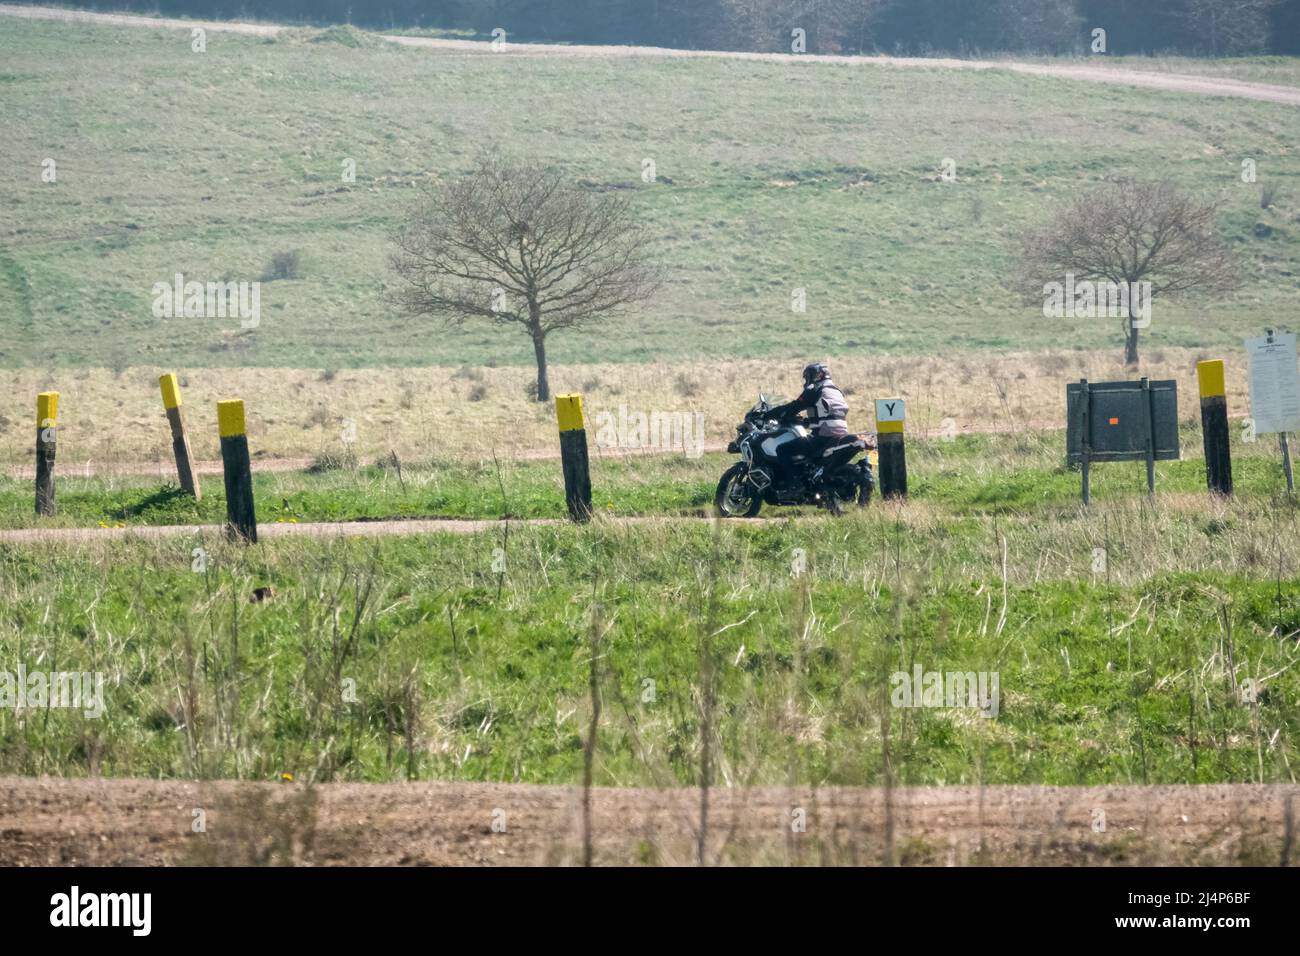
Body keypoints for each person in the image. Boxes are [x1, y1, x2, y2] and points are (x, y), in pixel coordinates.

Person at [767, 362, 853, 475]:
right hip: (840, 435)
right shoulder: (836, 390)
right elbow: (827, 415)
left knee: (782, 450)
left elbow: (794, 407)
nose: (807, 380)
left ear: (816, 375)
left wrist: (770, 414)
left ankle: (795, 485)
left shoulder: (814, 389)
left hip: (823, 437)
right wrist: (805, 422)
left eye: (808, 377)